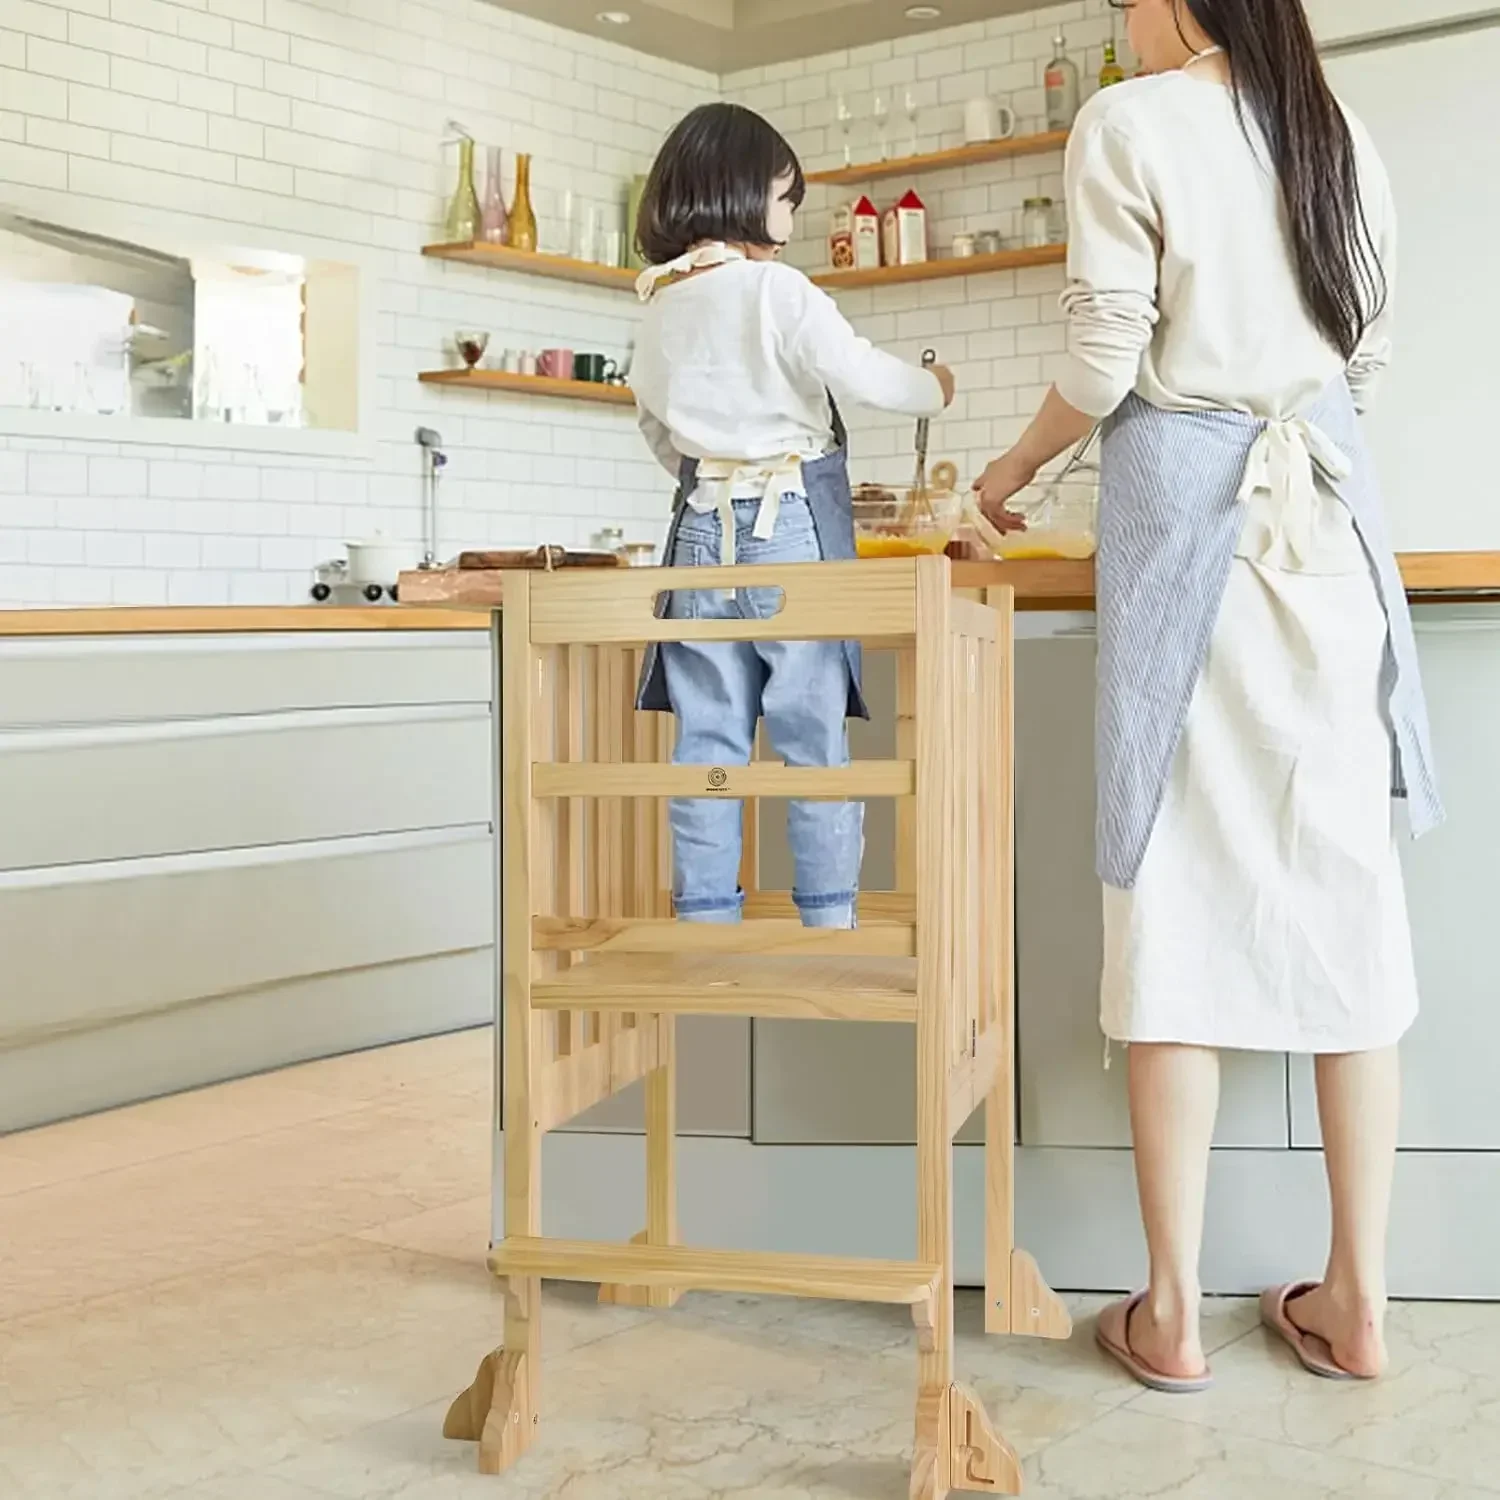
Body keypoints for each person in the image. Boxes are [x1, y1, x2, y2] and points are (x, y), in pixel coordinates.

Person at [974, 0, 1441, 1388]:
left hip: (1197, 564)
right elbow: (1363, 363)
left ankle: (1170, 1312)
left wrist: (1009, 479)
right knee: (1352, 925)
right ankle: (1358, 1302)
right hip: (1330, 558)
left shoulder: (1129, 120)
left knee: (1173, 911)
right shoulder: (1341, 130)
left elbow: (1105, 364)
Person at [631, 102, 956, 928]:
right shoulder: (778, 290)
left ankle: (705, 922)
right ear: (740, 193)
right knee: (812, 738)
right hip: (789, 532)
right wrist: (935, 391)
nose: (789, 219)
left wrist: (715, 477)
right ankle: (827, 919)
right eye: (785, 198)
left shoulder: (661, 305)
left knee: (706, 744)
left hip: (700, 532)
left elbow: (657, 431)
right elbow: (867, 376)